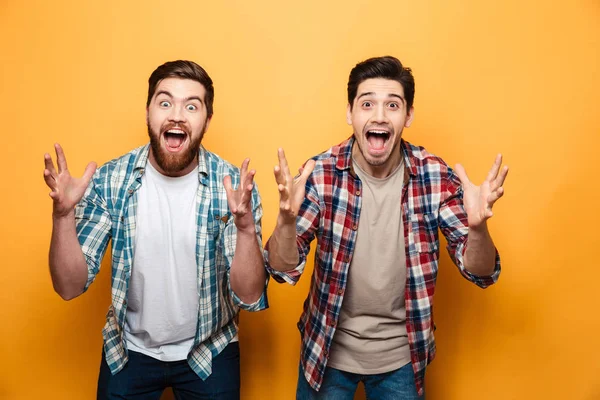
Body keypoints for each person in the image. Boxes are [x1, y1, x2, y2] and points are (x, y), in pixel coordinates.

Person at [265, 56, 508, 399]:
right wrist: (286, 222)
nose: (379, 115)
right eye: (367, 104)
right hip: (327, 349)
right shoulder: (320, 173)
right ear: (350, 113)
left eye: (392, 105)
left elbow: (481, 272)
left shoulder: (433, 175)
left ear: (407, 115)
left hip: (402, 358)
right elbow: (281, 267)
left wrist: (478, 228)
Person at [43, 60, 268, 399]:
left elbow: (250, 296)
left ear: (206, 120)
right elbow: (69, 286)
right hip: (128, 351)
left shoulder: (234, 188)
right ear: (148, 112)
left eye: (191, 106)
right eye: (165, 102)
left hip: (210, 349)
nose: (177, 115)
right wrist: (62, 216)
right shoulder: (110, 180)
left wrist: (247, 228)